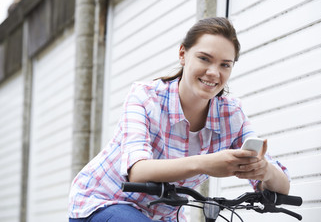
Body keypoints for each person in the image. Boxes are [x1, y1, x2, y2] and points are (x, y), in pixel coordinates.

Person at [68, 17, 290, 222]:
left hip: (163, 216)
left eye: (225, 64)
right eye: (204, 58)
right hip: (103, 201)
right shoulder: (145, 97)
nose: (213, 72)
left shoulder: (231, 114)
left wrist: (265, 171)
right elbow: (138, 170)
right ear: (183, 54)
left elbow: (282, 187)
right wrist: (207, 163)